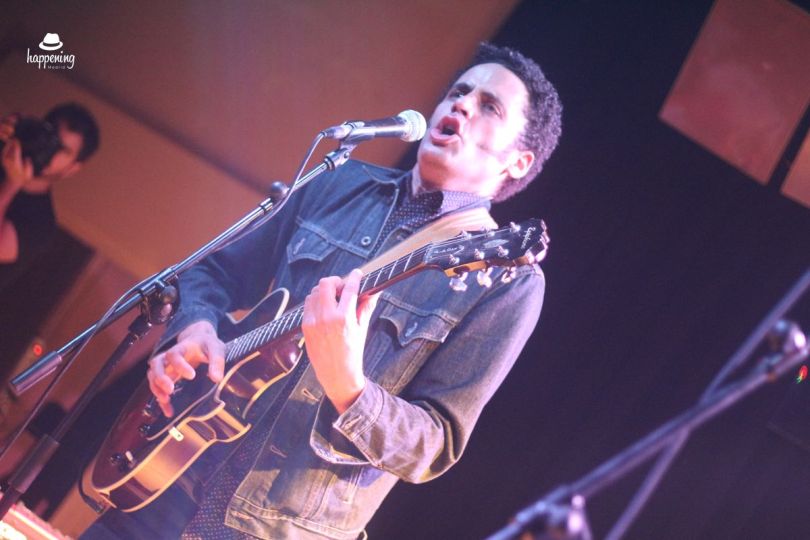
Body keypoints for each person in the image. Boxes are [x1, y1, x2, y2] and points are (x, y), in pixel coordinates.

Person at [83, 42, 562, 539]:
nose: (461, 105)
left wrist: (349, 386)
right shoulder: (336, 181)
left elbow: (433, 444)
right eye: (459, 91)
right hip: (165, 480)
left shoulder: (507, 281)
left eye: (489, 107)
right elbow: (212, 271)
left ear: (518, 161)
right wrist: (195, 329)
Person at [0, 102, 100, 288]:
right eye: (50, 137)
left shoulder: (41, 223)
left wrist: (12, 183)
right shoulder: (4, 147)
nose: (51, 150)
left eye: (62, 149)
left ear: (73, 168)